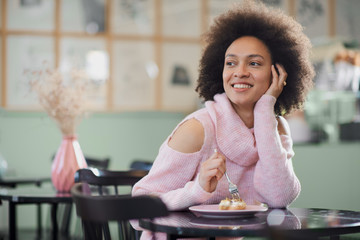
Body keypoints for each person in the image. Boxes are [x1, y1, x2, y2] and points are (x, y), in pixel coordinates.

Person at [132, 0, 314, 227]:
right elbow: (138, 208)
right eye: (231, 63)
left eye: (254, 63)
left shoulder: (276, 128)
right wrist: (197, 190)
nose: (240, 72)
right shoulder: (198, 129)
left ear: (278, 73)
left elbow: (279, 198)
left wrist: (266, 107)